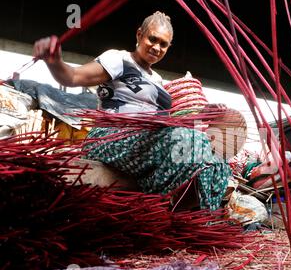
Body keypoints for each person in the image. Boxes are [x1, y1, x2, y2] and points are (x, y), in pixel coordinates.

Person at [33, 11, 231, 211]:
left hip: (146, 144)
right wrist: (54, 61)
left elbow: (169, 128)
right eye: (152, 39)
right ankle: (163, 204)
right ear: (139, 35)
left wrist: (204, 114)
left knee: (217, 160)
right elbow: (73, 77)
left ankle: (196, 219)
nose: (156, 47)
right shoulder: (119, 60)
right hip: (111, 138)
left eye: (163, 44)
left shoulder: (159, 82)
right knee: (191, 141)